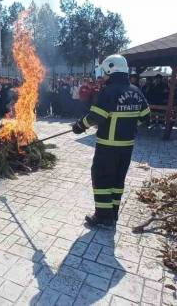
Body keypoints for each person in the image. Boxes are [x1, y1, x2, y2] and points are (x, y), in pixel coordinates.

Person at [71, 55, 149, 227]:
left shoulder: (109, 91)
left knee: (101, 178)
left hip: (108, 145)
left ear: (110, 70)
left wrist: (79, 126)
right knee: (117, 180)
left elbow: (95, 116)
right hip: (127, 146)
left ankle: (103, 217)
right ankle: (113, 214)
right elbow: (146, 118)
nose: (104, 77)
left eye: (105, 73)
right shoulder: (136, 91)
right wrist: (127, 125)